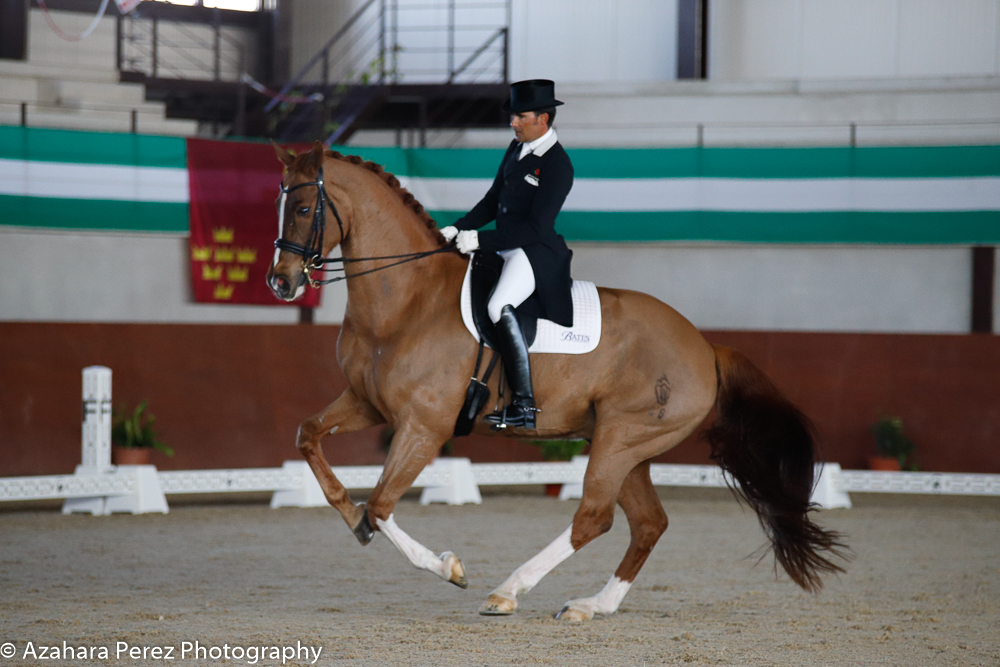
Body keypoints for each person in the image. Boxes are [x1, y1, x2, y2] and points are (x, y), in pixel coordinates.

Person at [440, 79, 575, 430]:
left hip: (533, 251)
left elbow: (536, 227)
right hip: (502, 243)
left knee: (496, 305)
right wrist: (458, 227)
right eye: (512, 116)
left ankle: (525, 405)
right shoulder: (515, 149)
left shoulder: (558, 165)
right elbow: (491, 200)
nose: (512, 123)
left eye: (520, 116)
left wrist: (480, 241)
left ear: (543, 119)